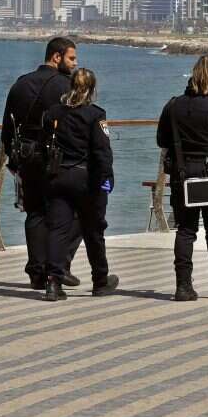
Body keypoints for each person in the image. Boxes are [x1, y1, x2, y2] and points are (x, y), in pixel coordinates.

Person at [0, 37, 82, 291]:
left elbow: (7, 127)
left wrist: (12, 160)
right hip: (56, 158)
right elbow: (74, 126)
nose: (76, 64)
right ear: (56, 57)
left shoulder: (20, 84)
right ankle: (59, 266)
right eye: (71, 58)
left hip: (25, 157)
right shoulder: (65, 86)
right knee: (76, 211)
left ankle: (37, 272)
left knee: (35, 213)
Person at [157, 55, 208, 302]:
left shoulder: (173, 106)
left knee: (185, 230)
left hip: (182, 175)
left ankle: (183, 286)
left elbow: (162, 140)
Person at [41, 68, 119, 301]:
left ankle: (53, 283)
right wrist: (106, 178)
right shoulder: (95, 115)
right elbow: (102, 151)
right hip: (87, 179)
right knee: (94, 231)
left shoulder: (53, 113)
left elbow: (44, 143)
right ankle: (100, 281)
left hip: (58, 177)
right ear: (93, 89)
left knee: (57, 229)